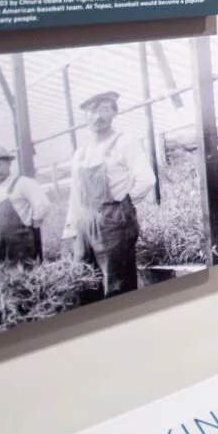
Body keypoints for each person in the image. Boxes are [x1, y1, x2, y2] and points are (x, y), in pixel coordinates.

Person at [64, 89, 153, 297]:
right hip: (85, 224)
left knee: (117, 285)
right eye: (92, 111)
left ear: (114, 112)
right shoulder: (80, 154)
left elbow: (146, 179)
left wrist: (124, 206)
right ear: (84, 117)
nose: (98, 116)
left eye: (104, 109)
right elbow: (75, 194)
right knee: (86, 282)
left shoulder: (124, 142)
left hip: (113, 223)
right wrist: (71, 230)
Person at [0, 149, 50, 270]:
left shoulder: (23, 183)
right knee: (1, 276)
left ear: (8, 164)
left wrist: (35, 224)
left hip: (23, 246)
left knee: (27, 273)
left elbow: (42, 204)